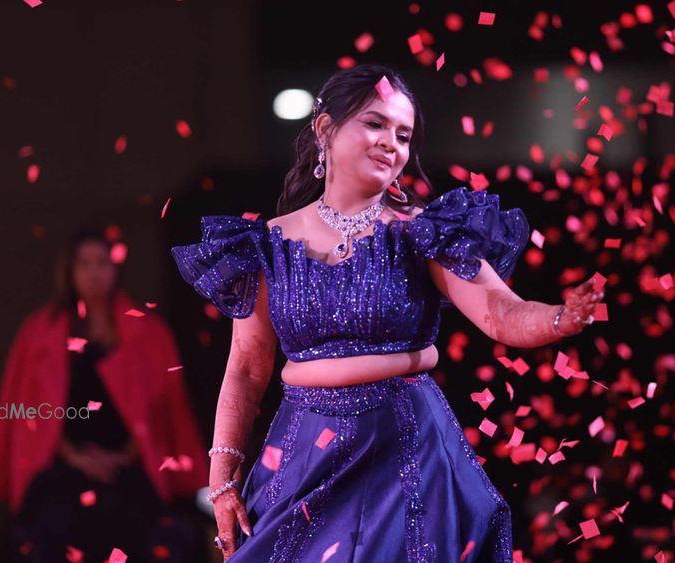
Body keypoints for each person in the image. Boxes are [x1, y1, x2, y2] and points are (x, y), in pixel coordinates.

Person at [171, 63, 604, 562]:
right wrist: (223, 479)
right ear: (325, 129)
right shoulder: (267, 244)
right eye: (375, 124)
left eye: (403, 134)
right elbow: (247, 368)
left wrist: (559, 318)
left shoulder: (422, 231)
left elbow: (501, 312)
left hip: (408, 451)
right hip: (305, 454)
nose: (391, 144)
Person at [0, 227, 209, 562]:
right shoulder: (39, 331)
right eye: (83, 264)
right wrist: (76, 456)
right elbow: (28, 408)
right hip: (62, 466)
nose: (93, 273)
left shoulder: (148, 332)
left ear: (115, 268)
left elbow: (163, 409)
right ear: (69, 271)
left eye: (101, 262)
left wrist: (123, 456)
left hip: (129, 467)